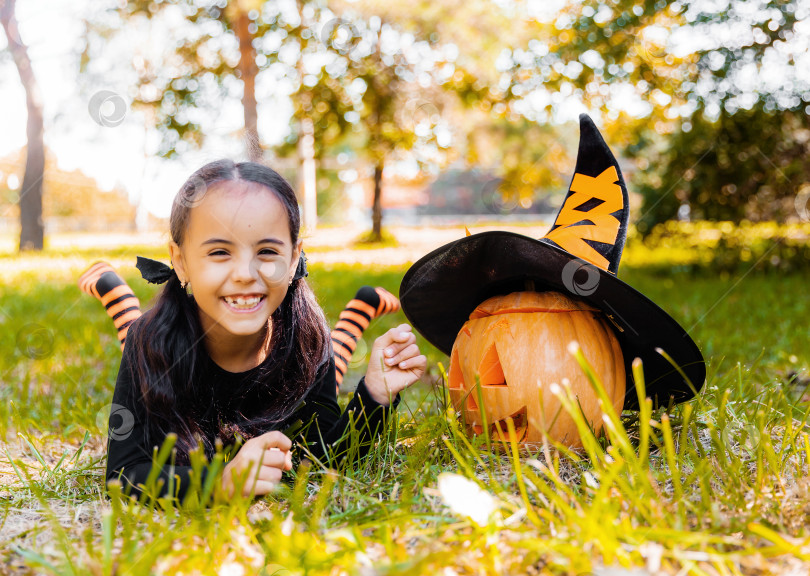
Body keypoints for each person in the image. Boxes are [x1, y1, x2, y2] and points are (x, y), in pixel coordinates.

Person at [88, 159, 426, 503]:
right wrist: (220, 482)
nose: (246, 273)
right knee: (131, 329)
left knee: (335, 356)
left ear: (294, 257)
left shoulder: (307, 338)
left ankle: (361, 308)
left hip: (295, 337)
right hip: (169, 332)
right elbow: (124, 475)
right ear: (180, 260)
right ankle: (116, 293)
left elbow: (321, 460)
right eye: (219, 252)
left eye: (267, 251)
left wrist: (375, 395)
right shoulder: (148, 341)